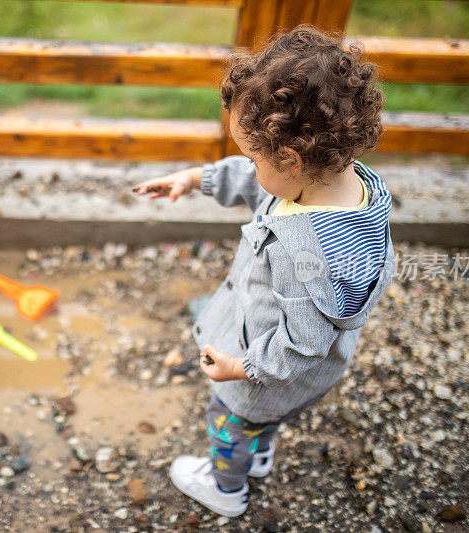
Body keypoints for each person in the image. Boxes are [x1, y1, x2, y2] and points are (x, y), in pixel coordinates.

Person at [132, 24, 395, 517]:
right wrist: (196, 179)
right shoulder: (338, 179)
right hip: (291, 372)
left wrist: (243, 368)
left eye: (252, 156)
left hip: (269, 366)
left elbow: (304, 344)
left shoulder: (311, 257)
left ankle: (225, 488)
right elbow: (262, 186)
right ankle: (261, 447)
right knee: (262, 417)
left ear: (290, 158)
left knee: (228, 420)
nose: (249, 167)